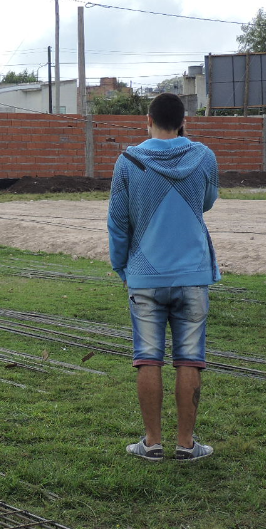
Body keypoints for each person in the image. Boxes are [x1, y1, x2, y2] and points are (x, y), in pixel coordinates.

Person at [108, 92, 220, 462]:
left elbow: (118, 222)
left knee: (147, 359)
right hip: (193, 275)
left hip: (144, 276)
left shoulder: (127, 161)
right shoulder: (205, 157)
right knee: (190, 359)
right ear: (183, 120)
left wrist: (121, 266)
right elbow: (207, 201)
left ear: (148, 119)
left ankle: (152, 442)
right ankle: (186, 444)